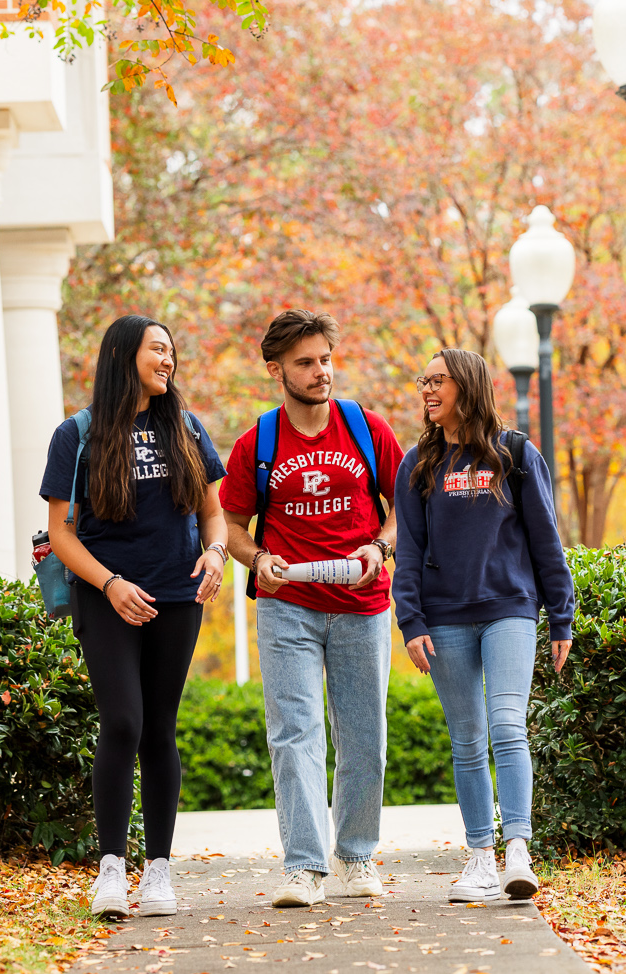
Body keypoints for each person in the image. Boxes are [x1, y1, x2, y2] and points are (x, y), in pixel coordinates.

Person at [40, 315, 228, 922]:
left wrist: (216, 553)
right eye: (157, 349)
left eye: (172, 351)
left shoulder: (187, 427)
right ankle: (112, 870)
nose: (168, 360)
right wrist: (112, 584)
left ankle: (161, 871)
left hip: (178, 594)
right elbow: (60, 536)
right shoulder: (78, 433)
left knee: (159, 727)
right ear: (124, 355)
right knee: (122, 720)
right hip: (107, 595)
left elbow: (214, 516)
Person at [218, 310, 405, 909]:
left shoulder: (367, 428)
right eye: (305, 362)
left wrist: (380, 546)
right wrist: (256, 559)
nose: (320, 371)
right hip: (286, 607)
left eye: (325, 359)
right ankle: (304, 866)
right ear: (277, 370)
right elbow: (230, 523)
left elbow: (406, 508)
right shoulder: (258, 444)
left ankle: (355, 857)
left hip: (362, 604)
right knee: (295, 734)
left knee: (364, 735)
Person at [393, 349, 575, 905]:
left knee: (506, 726)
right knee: (467, 740)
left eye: (438, 381)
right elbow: (409, 550)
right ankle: (478, 857)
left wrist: (561, 616)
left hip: (510, 610)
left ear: (466, 386)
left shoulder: (515, 454)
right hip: (445, 619)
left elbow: (546, 538)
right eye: (423, 381)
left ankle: (517, 849)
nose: (427, 390)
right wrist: (411, 620)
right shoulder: (416, 465)